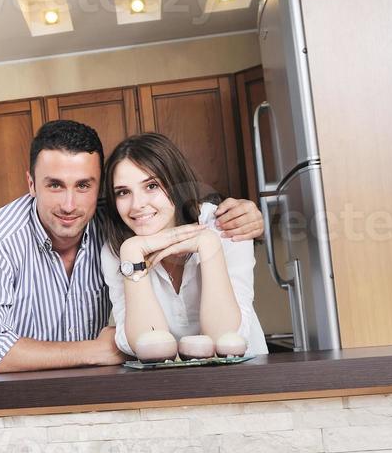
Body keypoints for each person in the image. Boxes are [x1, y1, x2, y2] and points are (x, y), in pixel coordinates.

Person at [0, 120, 264, 374]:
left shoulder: (122, 222)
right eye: (54, 185)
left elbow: (227, 337)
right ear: (31, 183)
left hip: (232, 380)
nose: (69, 204)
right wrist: (95, 350)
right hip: (27, 393)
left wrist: (242, 217)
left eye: (83, 185)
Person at [100, 132, 267, 357]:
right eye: (123, 192)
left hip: (246, 381)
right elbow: (148, 346)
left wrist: (209, 244)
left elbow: (225, 340)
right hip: (173, 387)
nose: (137, 205)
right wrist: (132, 252)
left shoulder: (228, 224)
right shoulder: (118, 250)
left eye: (151, 186)